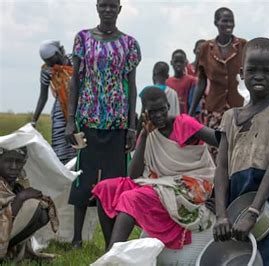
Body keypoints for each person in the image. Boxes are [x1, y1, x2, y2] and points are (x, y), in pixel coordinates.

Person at [92, 88, 218, 250]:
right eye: (153, 112)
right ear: (145, 112)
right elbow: (133, 175)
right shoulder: (149, 131)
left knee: (132, 198)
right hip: (161, 181)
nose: (158, 115)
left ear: (168, 106)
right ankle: (112, 251)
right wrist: (144, 135)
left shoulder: (183, 123)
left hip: (192, 184)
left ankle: (111, 257)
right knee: (105, 188)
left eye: (162, 109)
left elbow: (219, 140)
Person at [213, 37, 269, 266]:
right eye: (252, 70)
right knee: (237, 256)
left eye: (267, 70)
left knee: (266, 258)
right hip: (235, 197)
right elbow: (221, 167)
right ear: (241, 73)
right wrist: (221, 214)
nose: (258, 75)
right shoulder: (230, 117)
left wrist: (253, 211)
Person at [65, 0, 141, 248]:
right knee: (83, 178)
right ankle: (76, 238)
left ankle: (113, 241)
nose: (108, 10)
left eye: (112, 6)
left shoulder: (129, 43)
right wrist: (70, 120)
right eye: (103, 5)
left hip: (117, 123)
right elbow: (75, 81)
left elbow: (131, 87)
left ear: (119, 10)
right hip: (87, 119)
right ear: (96, 8)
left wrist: (132, 126)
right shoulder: (82, 38)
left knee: (115, 182)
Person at [188, 7, 247, 139]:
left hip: (238, 109)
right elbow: (201, 83)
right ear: (216, 23)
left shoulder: (243, 46)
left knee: (236, 150)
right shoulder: (205, 49)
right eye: (225, 21)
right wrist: (191, 112)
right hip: (213, 110)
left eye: (231, 21)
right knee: (214, 150)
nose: (229, 25)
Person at [0, 147, 58, 261]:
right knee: (32, 205)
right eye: (8, 161)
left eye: (19, 162)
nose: (13, 167)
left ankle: (9, 252)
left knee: (42, 209)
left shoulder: (16, 184)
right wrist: (21, 198)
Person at [32, 40, 76, 164]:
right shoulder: (46, 70)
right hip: (61, 109)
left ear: (58, 53)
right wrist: (34, 120)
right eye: (46, 61)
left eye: (50, 59)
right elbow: (43, 96)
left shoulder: (74, 60)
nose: (49, 63)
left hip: (81, 106)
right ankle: (63, 172)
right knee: (60, 144)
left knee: (80, 141)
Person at [166, 49, 197, 114]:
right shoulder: (167, 82)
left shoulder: (192, 81)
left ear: (186, 63)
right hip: (171, 118)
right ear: (171, 63)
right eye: (176, 62)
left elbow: (194, 103)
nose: (178, 64)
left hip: (186, 118)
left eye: (181, 62)